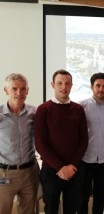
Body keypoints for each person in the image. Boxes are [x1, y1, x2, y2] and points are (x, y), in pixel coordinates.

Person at [35, 69, 89, 214]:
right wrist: (60, 168)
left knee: (71, 209)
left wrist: (71, 166)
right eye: (59, 83)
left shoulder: (78, 109)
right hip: (51, 171)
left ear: (72, 85)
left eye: (67, 83)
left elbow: (84, 140)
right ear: (53, 85)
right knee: (51, 209)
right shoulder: (43, 109)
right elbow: (40, 143)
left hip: (74, 170)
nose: (63, 87)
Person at [77, 72, 104, 214]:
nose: (101, 89)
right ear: (91, 87)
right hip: (85, 159)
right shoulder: (81, 106)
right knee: (83, 196)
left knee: (100, 196)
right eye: (98, 86)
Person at [0, 73, 39, 214]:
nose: (19, 93)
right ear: (6, 90)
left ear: (27, 91)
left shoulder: (34, 112)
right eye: (14, 89)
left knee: (28, 211)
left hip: (30, 172)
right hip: (4, 175)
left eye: (23, 89)